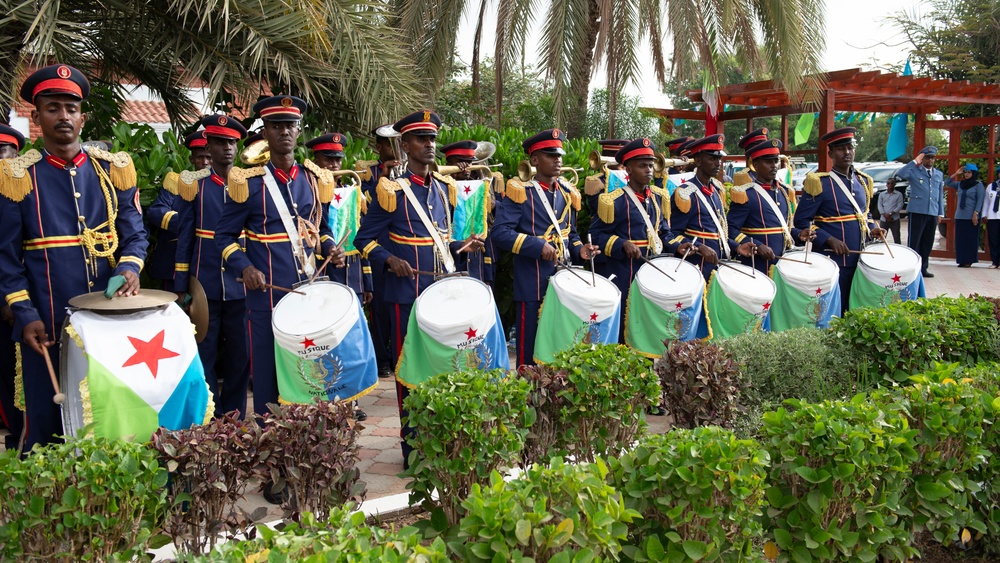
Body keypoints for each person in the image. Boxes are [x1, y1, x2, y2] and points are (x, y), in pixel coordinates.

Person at [0, 64, 147, 451]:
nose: (63, 116)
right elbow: (6, 257)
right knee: (47, 420)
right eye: (53, 108)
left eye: (71, 107)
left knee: (109, 411)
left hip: (109, 317)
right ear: (36, 116)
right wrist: (24, 312)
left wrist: (130, 267)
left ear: (83, 116)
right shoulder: (16, 176)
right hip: (46, 323)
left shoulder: (113, 170)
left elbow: (134, 233)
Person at [353, 110, 484, 467]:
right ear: (406, 144)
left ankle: (439, 438)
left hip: (439, 294)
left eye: (432, 138)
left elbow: (441, 242)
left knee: (441, 366)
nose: (429, 144)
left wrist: (461, 246)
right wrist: (389, 259)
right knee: (409, 369)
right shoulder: (392, 191)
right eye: (421, 139)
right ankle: (412, 446)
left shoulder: (444, 189)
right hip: (403, 296)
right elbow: (362, 239)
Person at [214, 95, 345, 423]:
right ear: (266, 132)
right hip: (267, 300)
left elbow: (322, 229)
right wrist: (244, 268)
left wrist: (330, 247)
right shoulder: (248, 182)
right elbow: (223, 238)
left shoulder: (315, 179)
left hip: (310, 298)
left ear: (298, 131)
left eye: (290, 125)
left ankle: (312, 446)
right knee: (269, 382)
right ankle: (271, 447)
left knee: (312, 373)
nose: (284, 132)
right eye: (276, 126)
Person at [491, 128, 601, 367]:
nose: (557, 160)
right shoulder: (520, 192)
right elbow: (499, 233)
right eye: (550, 155)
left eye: (559, 155)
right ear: (534, 160)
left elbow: (570, 233)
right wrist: (535, 244)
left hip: (565, 279)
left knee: (562, 343)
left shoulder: (567, 192)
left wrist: (580, 249)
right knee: (529, 349)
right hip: (532, 281)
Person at [173, 114, 251, 419]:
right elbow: (185, 238)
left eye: (232, 142)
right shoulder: (195, 185)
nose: (227, 149)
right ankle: (209, 413)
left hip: (241, 283)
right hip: (204, 283)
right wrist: (181, 286)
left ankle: (234, 415)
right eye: (220, 142)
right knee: (203, 350)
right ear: (209, 145)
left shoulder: (249, 184)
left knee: (240, 354)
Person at [304, 132, 372, 421]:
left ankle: (352, 402)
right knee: (325, 343)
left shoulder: (349, 194)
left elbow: (362, 239)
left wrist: (366, 280)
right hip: (323, 277)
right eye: (327, 160)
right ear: (315, 161)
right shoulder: (309, 193)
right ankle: (327, 402)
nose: (333, 165)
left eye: (336, 159)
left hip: (352, 278)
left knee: (351, 342)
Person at [793, 127, 884, 312]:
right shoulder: (820, 182)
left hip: (861, 258)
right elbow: (801, 221)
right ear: (831, 153)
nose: (847, 152)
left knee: (857, 308)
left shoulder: (864, 181)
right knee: (834, 310)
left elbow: (866, 214)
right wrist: (828, 238)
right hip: (832, 259)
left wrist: (873, 228)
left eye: (850, 148)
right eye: (841, 149)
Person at [589, 137, 670, 342]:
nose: (649, 170)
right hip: (624, 271)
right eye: (642, 166)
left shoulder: (659, 197)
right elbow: (596, 235)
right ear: (628, 170)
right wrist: (621, 243)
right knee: (625, 326)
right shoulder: (613, 200)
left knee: (648, 324)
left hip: (652, 270)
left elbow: (664, 233)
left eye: (651, 165)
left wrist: (680, 244)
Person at [665, 134, 755, 281]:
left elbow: (719, 234)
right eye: (712, 158)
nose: (718, 163)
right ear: (699, 160)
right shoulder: (685, 193)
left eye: (719, 158)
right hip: (695, 266)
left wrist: (737, 246)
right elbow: (674, 233)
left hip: (717, 264)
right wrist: (700, 247)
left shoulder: (717, 190)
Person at [728, 139, 814, 274]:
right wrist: (757, 244)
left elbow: (785, 229)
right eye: (768, 162)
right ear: (755, 165)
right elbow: (731, 230)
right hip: (755, 266)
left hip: (782, 266)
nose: (774, 166)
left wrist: (799, 234)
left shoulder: (784, 192)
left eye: (775, 161)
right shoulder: (746, 194)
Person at [356, 125, 400, 379]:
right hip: (379, 246)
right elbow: (364, 206)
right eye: (388, 143)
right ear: (378, 147)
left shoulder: (411, 169)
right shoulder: (365, 171)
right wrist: (383, 176)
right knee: (381, 308)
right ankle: (383, 358)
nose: (392, 148)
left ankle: (399, 356)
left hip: (404, 247)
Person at [146, 131, 211, 292]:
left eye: (209, 157)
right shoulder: (175, 181)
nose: (204, 162)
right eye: (199, 157)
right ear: (191, 159)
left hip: (209, 265)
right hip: (174, 263)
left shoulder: (228, 185)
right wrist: (188, 224)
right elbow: (156, 212)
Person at [0, 124, 26, 450]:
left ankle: (20, 438)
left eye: (3, 152)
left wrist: (9, 300)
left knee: (14, 376)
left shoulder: (21, 192)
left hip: (14, 304)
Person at [440, 140, 496, 284]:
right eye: (460, 163)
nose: (467, 167)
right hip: (450, 261)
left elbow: (486, 227)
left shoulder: (477, 190)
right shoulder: (439, 187)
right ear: (448, 164)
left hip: (476, 262)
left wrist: (487, 273)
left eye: (470, 163)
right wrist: (452, 177)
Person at [896, 146, 945, 277]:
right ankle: (912, 268)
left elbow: (939, 195)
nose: (930, 160)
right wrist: (915, 161)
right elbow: (900, 174)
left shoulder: (938, 174)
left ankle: (923, 268)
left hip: (932, 211)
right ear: (922, 159)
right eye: (927, 157)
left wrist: (940, 213)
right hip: (917, 210)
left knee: (927, 241)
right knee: (915, 241)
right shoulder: (914, 171)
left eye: (932, 157)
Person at [945, 163, 985, 268]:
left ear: (974, 173)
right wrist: (956, 173)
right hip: (960, 215)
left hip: (971, 216)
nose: (967, 174)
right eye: (965, 172)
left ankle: (969, 260)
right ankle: (961, 260)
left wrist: (976, 213)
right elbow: (947, 182)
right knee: (960, 239)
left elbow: (980, 200)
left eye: (969, 172)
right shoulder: (961, 184)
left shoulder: (978, 185)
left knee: (970, 239)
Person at [981, 167, 1000, 268]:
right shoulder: (991, 186)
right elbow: (986, 202)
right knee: (993, 240)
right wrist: (984, 214)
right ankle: (995, 262)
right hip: (992, 217)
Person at [877, 176, 904, 244]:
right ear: (886, 184)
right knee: (881, 237)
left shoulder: (899, 194)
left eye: (892, 183)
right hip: (884, 219)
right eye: (888, 183)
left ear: (894, 184)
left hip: (894, 219)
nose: (890, 185)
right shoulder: (882, 194)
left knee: (896, 237)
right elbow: (880, 205)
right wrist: (884, 214)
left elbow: (900, 205)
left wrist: (890, 214)